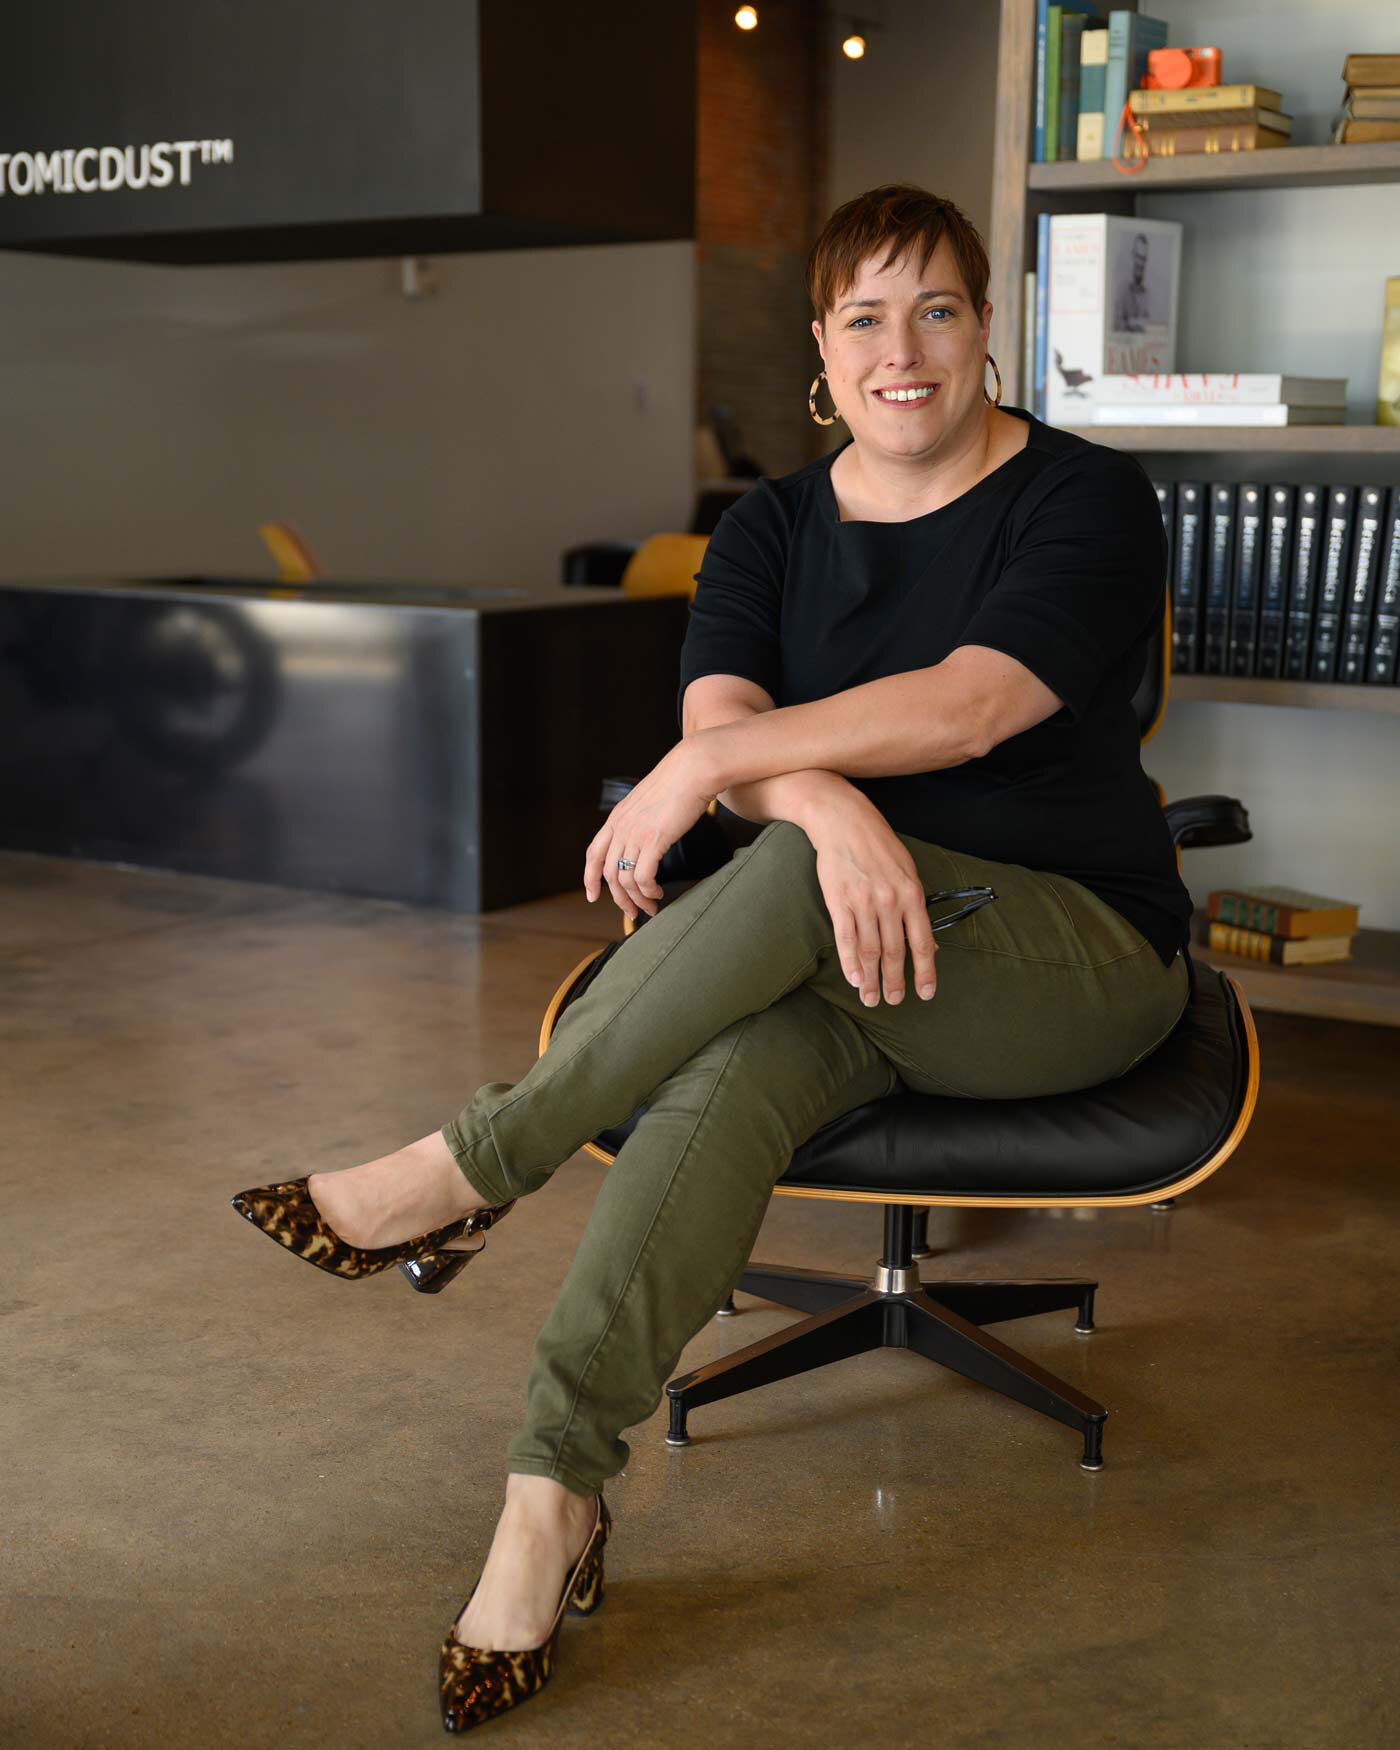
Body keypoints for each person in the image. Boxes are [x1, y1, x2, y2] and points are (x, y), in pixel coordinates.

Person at [231, 183, 1195, 1733]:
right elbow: (718, 734)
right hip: (849, 959)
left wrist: (734, 782)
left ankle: (472, 1162)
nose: (905, 349)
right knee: (728, 1065)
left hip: (1064, 949)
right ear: (822, 346)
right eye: (865, 316)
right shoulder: (766, 526)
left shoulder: (1082, 497)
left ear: (986, 325)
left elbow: (968, 705)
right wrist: (814, 806)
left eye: (937, 308)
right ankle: (551, 1498)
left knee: (780, 881)